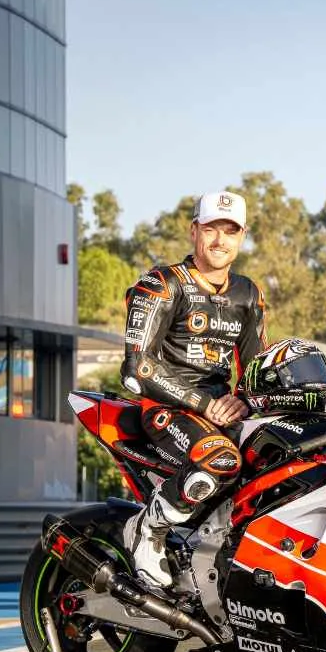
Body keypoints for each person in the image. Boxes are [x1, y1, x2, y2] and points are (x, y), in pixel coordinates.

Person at [120, 191, 268, 587]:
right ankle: (147, 530)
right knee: (220, 460)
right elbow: (137, 369)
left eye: (230, 231)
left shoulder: (248, 293)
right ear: (194, 231)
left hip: (222, 413)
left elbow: (257, 369)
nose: (220, 240)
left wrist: (250, 399)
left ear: (242, 237)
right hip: (168, 410)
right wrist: (206, 404)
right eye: (211, 229)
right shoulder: (163, 283)